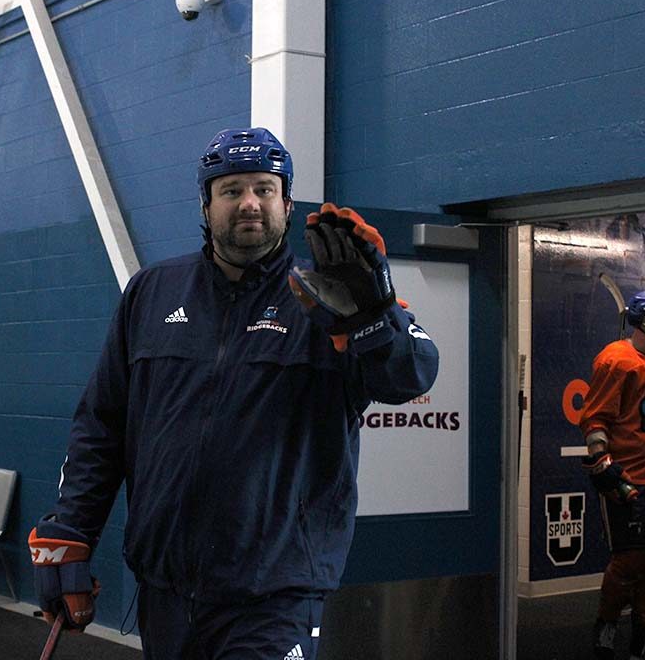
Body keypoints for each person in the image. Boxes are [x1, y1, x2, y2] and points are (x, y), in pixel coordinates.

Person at [27, 127, 439, 659]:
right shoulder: (152, 294)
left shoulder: (329, 300)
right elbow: (101, 426)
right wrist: (72, 530)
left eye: (264, 189)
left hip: (275, 596)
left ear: (286, 203)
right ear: (206, 203)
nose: (249, 203)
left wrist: (375, 319)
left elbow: (411, 378)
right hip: (167, 590)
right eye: (231, 190)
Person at [580, 290, 645, 660]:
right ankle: (606, 626)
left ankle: (644, 636)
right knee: (630, 561)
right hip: (631, 477)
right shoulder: (616, 361)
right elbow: (595, 417)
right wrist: (602, 462)